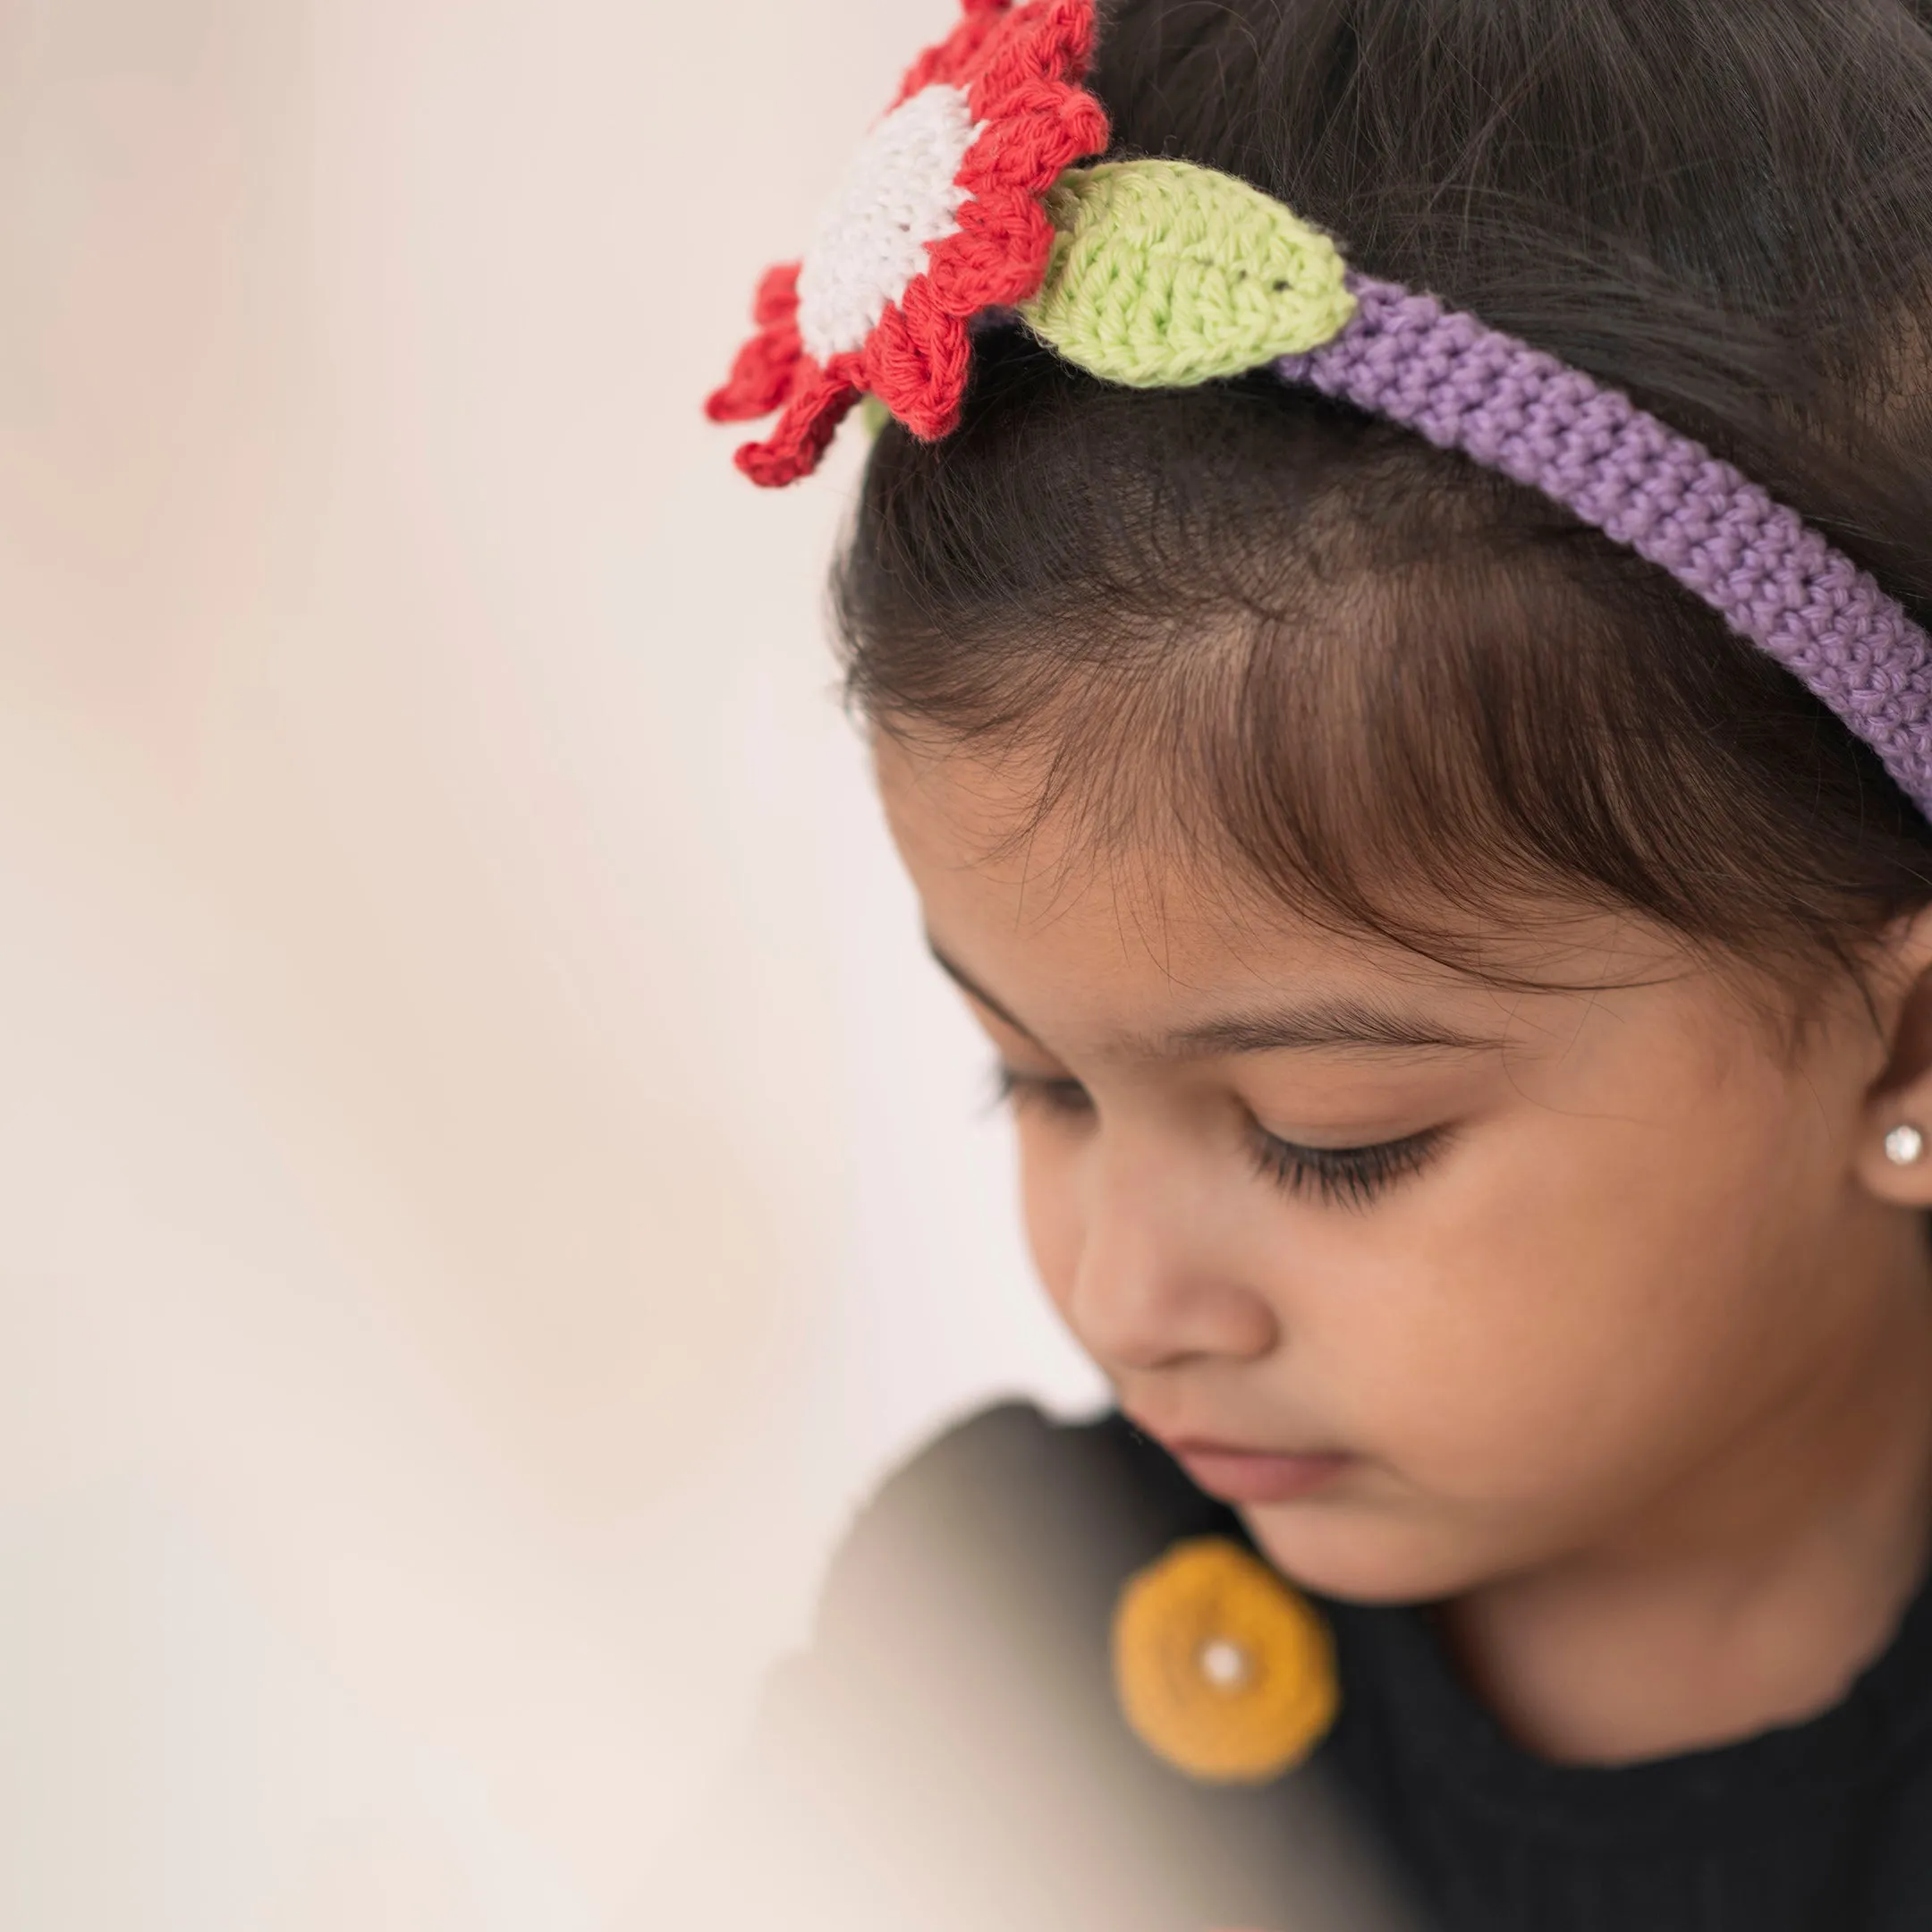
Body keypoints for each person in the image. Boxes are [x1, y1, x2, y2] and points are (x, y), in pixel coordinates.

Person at [669, 0, 1932, 1925]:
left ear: (1906, 1041)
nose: (1123, 1291)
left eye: (1333, 1141)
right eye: (1038, 1079)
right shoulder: (1007, 1654)